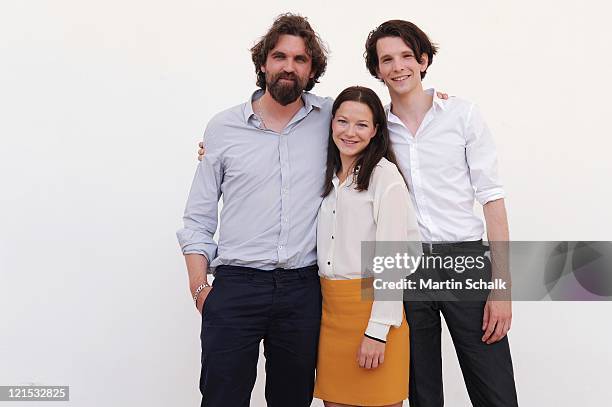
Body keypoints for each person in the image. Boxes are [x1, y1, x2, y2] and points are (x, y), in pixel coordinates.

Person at [177, 14, 332, 407]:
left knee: (293, 399)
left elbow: (381, 121)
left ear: (312, 69)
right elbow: (197, 218)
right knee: (222, 398)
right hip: (235, 287)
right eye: (280, 56)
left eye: (300, 59)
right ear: (263, 62)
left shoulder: (332, 119)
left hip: (303, 289)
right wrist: (201, 290)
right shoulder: (223, 128)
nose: (289, 67)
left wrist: (435, 101)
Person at [363, 20, 519, 406]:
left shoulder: (462, 116)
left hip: (465, 261)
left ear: (423, 59)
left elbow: (492, 201)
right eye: (387, 59)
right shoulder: (377, 128)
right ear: (377, 69)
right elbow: (333, 131)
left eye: (405, 56)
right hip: (407, 264)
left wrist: (501, 288)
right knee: (421, 390)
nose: (398, 67)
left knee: (494, 388)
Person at [313, 86, 422, 407]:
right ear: (331, 123)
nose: (350, 132)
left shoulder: (384, 178)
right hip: (330, 316)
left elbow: (395, 260)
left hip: (374, 313)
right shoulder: (326, 175)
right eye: (343, 121)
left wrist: (377, 331)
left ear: (376, 131)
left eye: (361, 124)